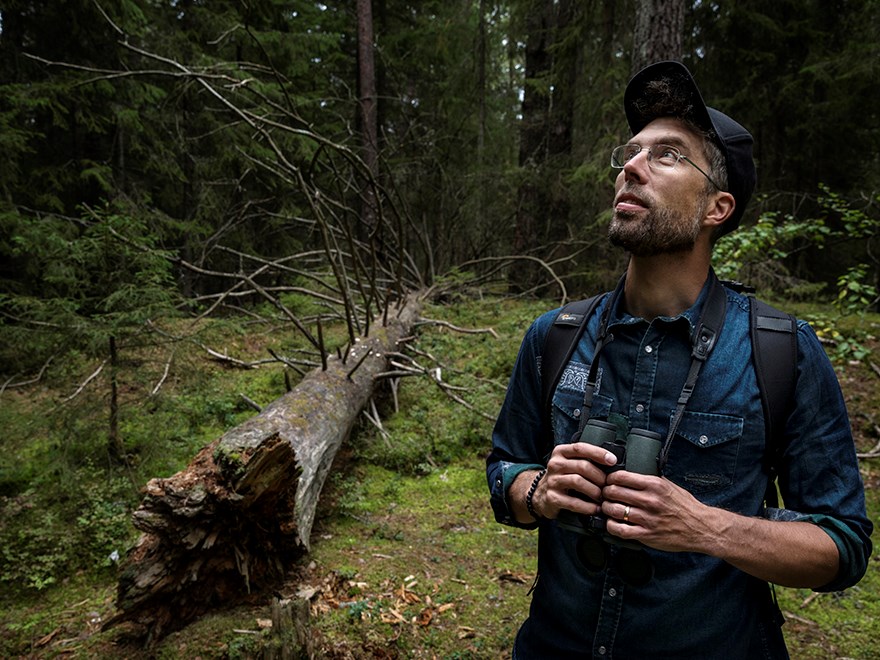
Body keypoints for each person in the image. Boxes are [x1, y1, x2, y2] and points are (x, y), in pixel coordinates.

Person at [486, 60, 873, 659]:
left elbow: (843, 546)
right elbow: (505, 466)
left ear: (717, 208)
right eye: (631, 153)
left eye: (667, 155)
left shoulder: (781, 352)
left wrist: (707, 528)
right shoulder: (554, 335)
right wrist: (534, 490)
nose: (630, 168)